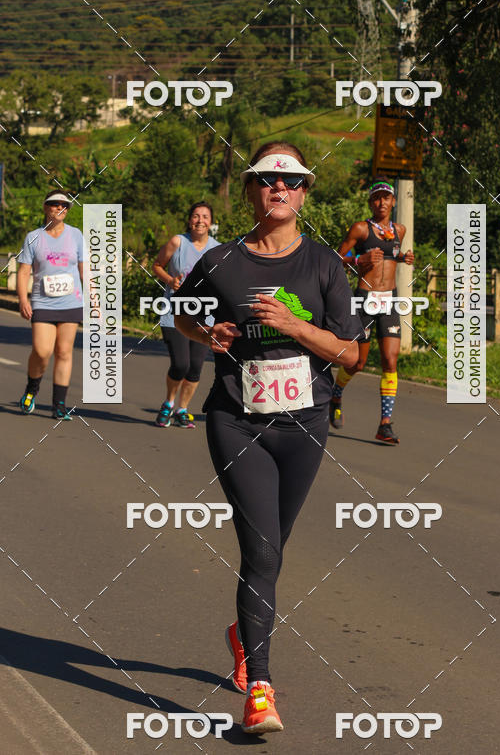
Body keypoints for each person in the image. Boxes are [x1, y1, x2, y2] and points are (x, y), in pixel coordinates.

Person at [173, 141, 361, 734]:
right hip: (237, 419)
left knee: (273, 551)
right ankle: (260, 689)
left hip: (305, 424)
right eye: (268, 179)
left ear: (305, 193)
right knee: (260, 552)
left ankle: (242, 634)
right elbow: (181, 314)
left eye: (293, 180)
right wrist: (207, 335)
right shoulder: (222, 261)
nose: (281, 187)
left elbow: (350, 354)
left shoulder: (325, 264)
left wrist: (295, 325)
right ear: (253, 189)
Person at [329, 178, 414, 445]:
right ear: (370, 202)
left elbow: (390, 255)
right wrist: (358, 259)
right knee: (357, 363)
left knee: (390, 360)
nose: (381, 202)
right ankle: (336, 393)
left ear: (393, 201)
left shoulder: (400, 230)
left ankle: (385, 425)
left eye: (386, 197)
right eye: (376, 198)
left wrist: (402, 258)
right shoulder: (361, 229)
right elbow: (334, 259)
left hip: (389, 300)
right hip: (365, 299)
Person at [151, 202, 219, 428]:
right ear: (190, 220)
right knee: (180, 364)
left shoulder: (218, 249)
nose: (200, 220)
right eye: (196, 216)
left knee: (195, 368)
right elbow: (157, 265)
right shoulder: (177, 242)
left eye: (205, 216)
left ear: (211, 222)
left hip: (205, 316)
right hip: (174, 313)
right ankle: (168, 403)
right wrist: (170, 280)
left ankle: (182, 409)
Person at [16, 191, 83, 420]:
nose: (60, 208)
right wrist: (23, 299)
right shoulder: (33, 237)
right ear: (46, 208)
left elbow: (84, 269)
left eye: (64, 205)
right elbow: (24, 271)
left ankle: (59, 405)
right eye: (55, 204)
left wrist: (94, 300)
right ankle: (31, 389)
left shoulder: (76, 235)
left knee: (64, 352)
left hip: (71, 301)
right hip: (43, 302)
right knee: (42, 351)